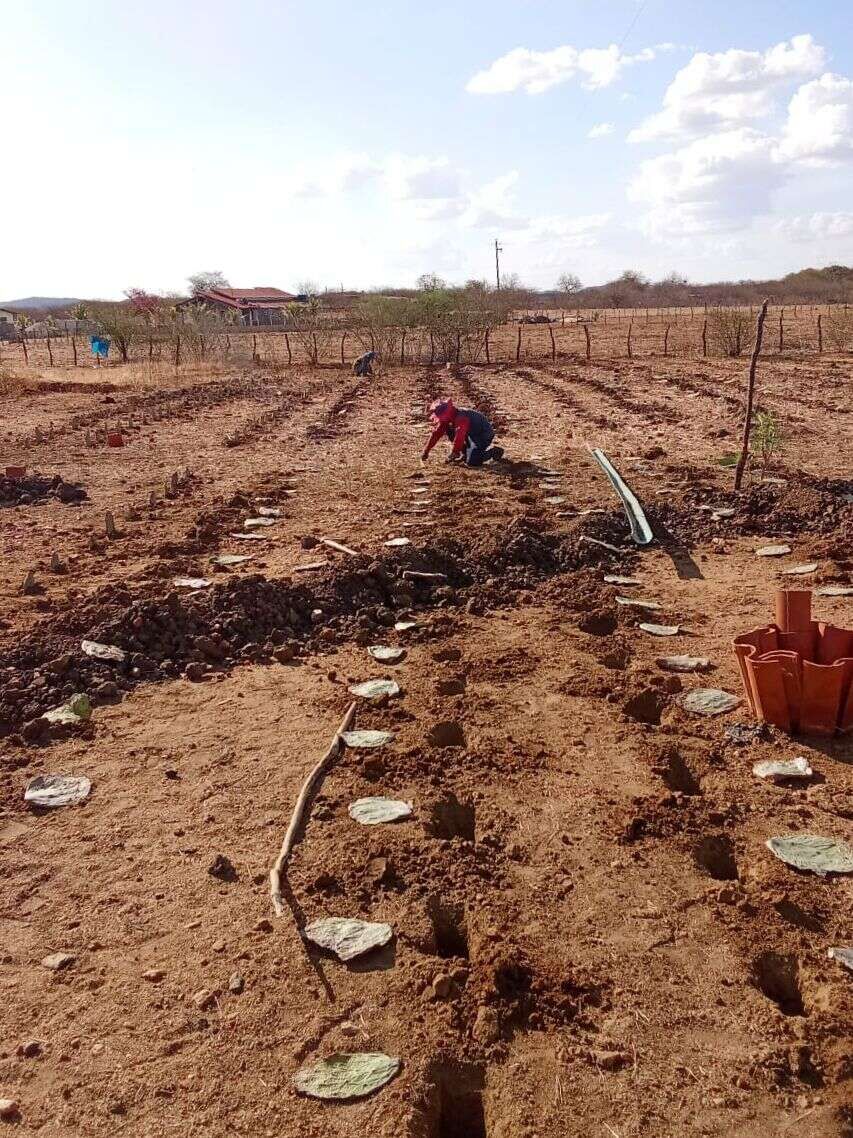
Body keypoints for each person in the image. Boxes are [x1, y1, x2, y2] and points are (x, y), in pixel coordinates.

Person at [421, 398, 504, 467]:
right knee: (450, 430)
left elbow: (460, 436)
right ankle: (465, 453)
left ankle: (494, 451)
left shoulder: (462, 417)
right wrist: (426, 451)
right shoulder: (448, 419)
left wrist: (454, 453)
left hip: (483, 435)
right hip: (471, 435)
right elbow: (436, 434)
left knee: (473, 462)